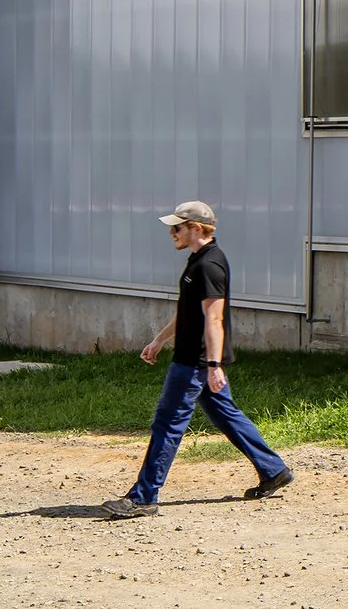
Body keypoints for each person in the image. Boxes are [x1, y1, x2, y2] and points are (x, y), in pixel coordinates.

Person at [100, 200, 294, 518]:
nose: (172, 232)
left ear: (195, 228)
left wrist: (214, 364)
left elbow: (214, 319)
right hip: (197, 360)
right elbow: (188, 314)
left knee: (167, 424)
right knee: (226, 416)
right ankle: (273, 470)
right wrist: (159, 340)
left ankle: (143, 498)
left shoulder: (209, 265)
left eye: (177, 227)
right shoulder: (198, 262)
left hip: (195, 363)